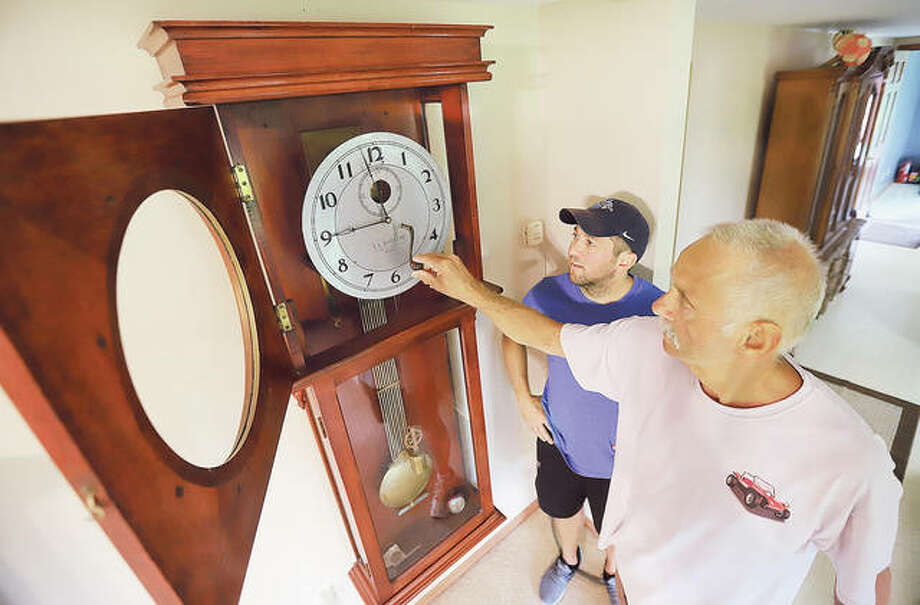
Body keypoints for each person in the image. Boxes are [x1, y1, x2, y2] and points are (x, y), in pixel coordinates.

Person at [412, 219, 902, 605]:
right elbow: (544, 335)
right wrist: (470, 290)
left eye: (686, 300)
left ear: (757, 338)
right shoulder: (645, 344)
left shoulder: (851, 462)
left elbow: (864, 586)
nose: (663, 304)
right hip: (631, 583)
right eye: (673, 286)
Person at [502, 199, 661, 604]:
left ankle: (612, 573)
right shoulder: (548, 293)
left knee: (619, 530)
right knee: (561, 510)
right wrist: (524, 398)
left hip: (623, 454)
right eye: (575, 235)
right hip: (558, 438)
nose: (573, 249)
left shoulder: (655, 310)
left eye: (590, 242)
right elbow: (512, 334)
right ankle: (568, 560)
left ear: (625, 260)